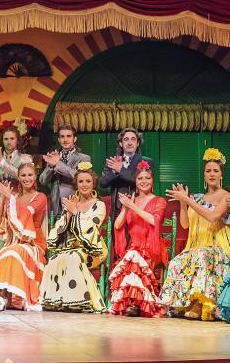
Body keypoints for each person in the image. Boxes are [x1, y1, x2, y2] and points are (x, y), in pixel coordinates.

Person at [162, 148, 230, 321]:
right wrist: (183, 204)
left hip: (218, 248)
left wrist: (187, 200)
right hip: (196, 246)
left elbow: (213, 217)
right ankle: (184, 303)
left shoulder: (226, 196)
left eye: (216, 170)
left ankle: (201, 304)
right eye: (208, 171)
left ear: (221, 174)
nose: (212, 174)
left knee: (202, 255)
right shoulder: (198, 198)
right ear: (204, 175)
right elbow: (185, 224)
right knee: (177, 261)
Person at [39, 162, 107, 313]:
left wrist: (75, 212)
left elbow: (91, 228)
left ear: (93, 183)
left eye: (88, 181)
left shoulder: (99, 204)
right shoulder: (72, 202)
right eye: (81, 181)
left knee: (73, 257)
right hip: (72, 247)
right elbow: (60, 228)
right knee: (55, 259)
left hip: (91, 249)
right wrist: (69, 214)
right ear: (76, 183)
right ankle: (58, 301)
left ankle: (79, 301)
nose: (84, 185)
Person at [0, 163, 48, 312]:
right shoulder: (14, 197)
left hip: (33, 243)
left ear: (35, 176)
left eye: (30, 175)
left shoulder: (40, 197)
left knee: (15, 252)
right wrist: (5, 200)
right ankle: (0, 295)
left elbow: (27, 214)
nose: (27, 178)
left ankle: (3, 296)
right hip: (14, 242)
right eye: (23, 175)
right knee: (3, 253)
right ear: (18, 177)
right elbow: (0, 220)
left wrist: (9, 197)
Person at [108, 160, 167, 317]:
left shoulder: (159, 201)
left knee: (133, 259)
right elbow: (118, 225)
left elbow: (154, 220)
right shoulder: (131, 202)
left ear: (152, 180)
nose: (144, 181)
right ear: (135, 181)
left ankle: (137, 302)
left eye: (147, 178)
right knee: (130, 259)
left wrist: (133, 206)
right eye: (140, 178)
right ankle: (131, 303)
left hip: (151, 247)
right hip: (134, 247)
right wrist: (126, 207)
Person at [99, 128, 154, 223]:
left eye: (133, 139)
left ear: (137, 144)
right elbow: (102, 183)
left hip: (138, 208)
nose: (129, 142)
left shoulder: (146, 161)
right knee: (116, 237)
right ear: (121, 144)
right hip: (117, 209)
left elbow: (142, 182)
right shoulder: (113, 161)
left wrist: (121, 170)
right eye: (126, 139)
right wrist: (115, 172)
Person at [40, 125, 91, 219]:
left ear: (74, 139)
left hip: (75, 203)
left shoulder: (84, 158)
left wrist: (57, 164)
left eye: (68, 136)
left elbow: (78, 176)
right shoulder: (54, 156)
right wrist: (51, 167)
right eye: (62, 137)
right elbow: (43, 180)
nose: (65, 139)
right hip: (55, 206)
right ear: (59, 140)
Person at [0, 126, 31, 204]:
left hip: (18, 201)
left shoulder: (26, 158)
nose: (9, 142)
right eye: (6, 139)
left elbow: (22, 176)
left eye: (12, 138)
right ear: (2, 141)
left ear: (18, 141)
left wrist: (2, 162)